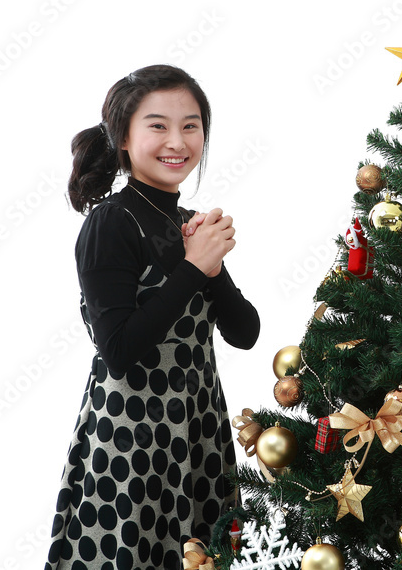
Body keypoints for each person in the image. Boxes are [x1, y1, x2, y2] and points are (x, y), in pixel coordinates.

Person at [46, 65, 260, 569]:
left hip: (199, 429)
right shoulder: (111, 222)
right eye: (158, 125)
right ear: (123, 136)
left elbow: (245, 333)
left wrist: (212, 268)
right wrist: (194, 266)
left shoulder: (186, 223)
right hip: (132, 439)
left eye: (191, 126)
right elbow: (119, 351)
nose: (177, 141)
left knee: (204, 558)